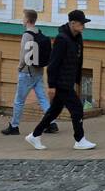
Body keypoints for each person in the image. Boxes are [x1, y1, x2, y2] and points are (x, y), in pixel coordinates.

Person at [25, 9, 96, 151]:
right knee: (77, 109)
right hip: (61, 82)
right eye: (82, 24)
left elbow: (78, 60)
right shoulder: (61, 39)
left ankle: (34, 135)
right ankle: (79, 139)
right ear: (73, 23)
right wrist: (51, 85)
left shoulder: (77, 38)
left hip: (69, 80)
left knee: (54, 111)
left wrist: (77, 80)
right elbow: (53, 64)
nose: (84, 27)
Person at [2, 8, 58, 136]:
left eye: (23, 18)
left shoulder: (27, 35)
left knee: (19, 100)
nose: (22, 20)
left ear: (27, 20)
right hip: (38, 72)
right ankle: (52, 123)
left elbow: (24, 55)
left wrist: (19, 67)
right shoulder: (40, 33)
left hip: (27, 73)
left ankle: (14, 126)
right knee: (43, 98)